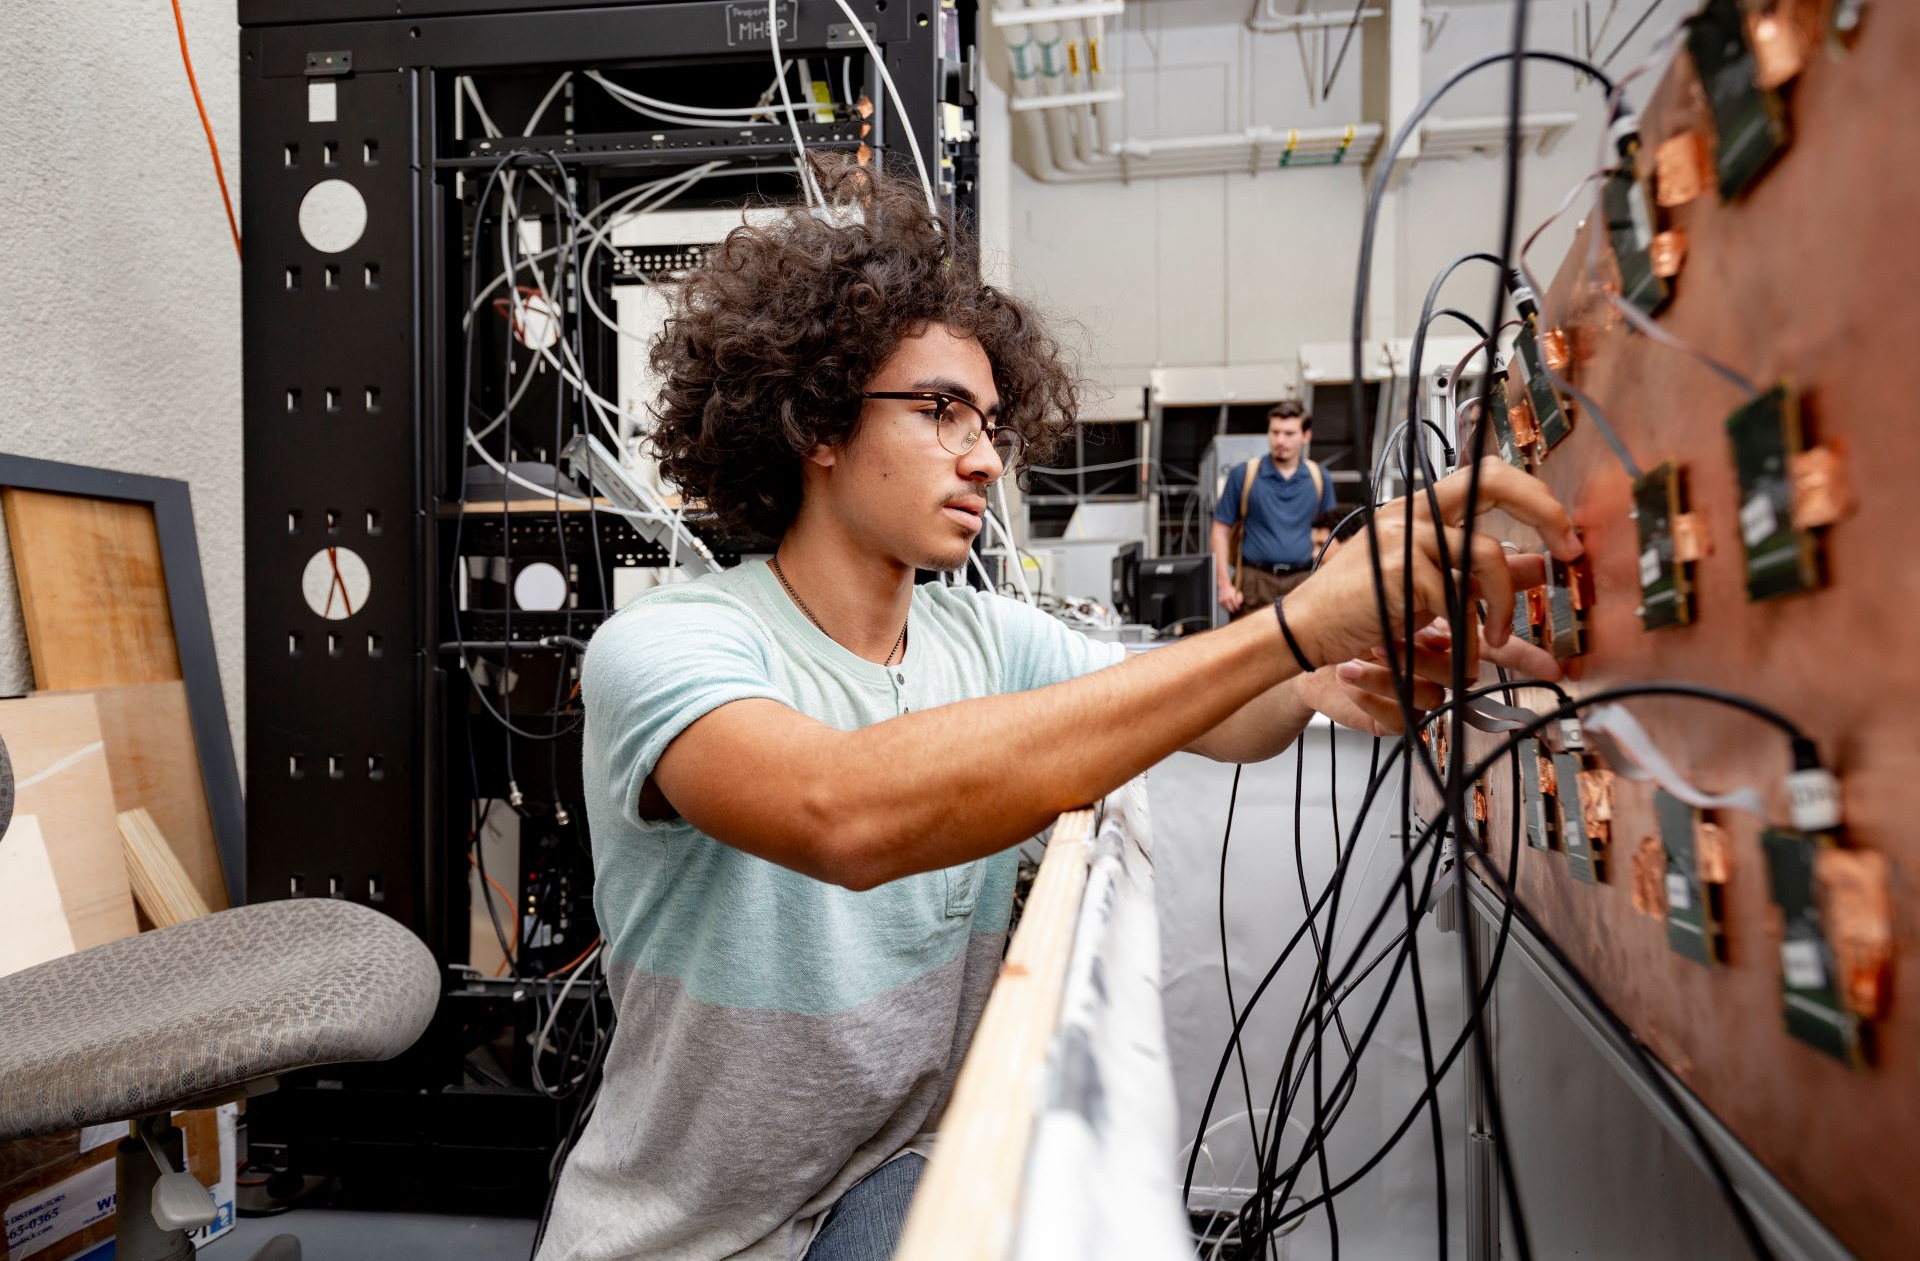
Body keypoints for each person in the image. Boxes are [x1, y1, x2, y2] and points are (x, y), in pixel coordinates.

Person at [536, 161, 1577, 1261]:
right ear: (819, 424)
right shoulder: (665, 645)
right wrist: (1289, 629)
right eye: (940, 411)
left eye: (987, 419)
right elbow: (840, 810)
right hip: (679, 1240)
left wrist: (1331, 674)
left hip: (881, 1193)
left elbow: (1221, 713)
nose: (983, 456)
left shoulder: (988, 637)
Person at [1210, 403, 1336, 618]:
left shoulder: (1318, 477)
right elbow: (1220, 530)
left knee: (1304, 649)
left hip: (1303, 580)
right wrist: (1223, 585)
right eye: (1274, 432)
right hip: (1254, 582)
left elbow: (1332, 533)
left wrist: (1329, 582)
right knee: (1251, 649)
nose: (1280, 441)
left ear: (1306, 436)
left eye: (1289, 433)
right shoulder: (1244, 475)